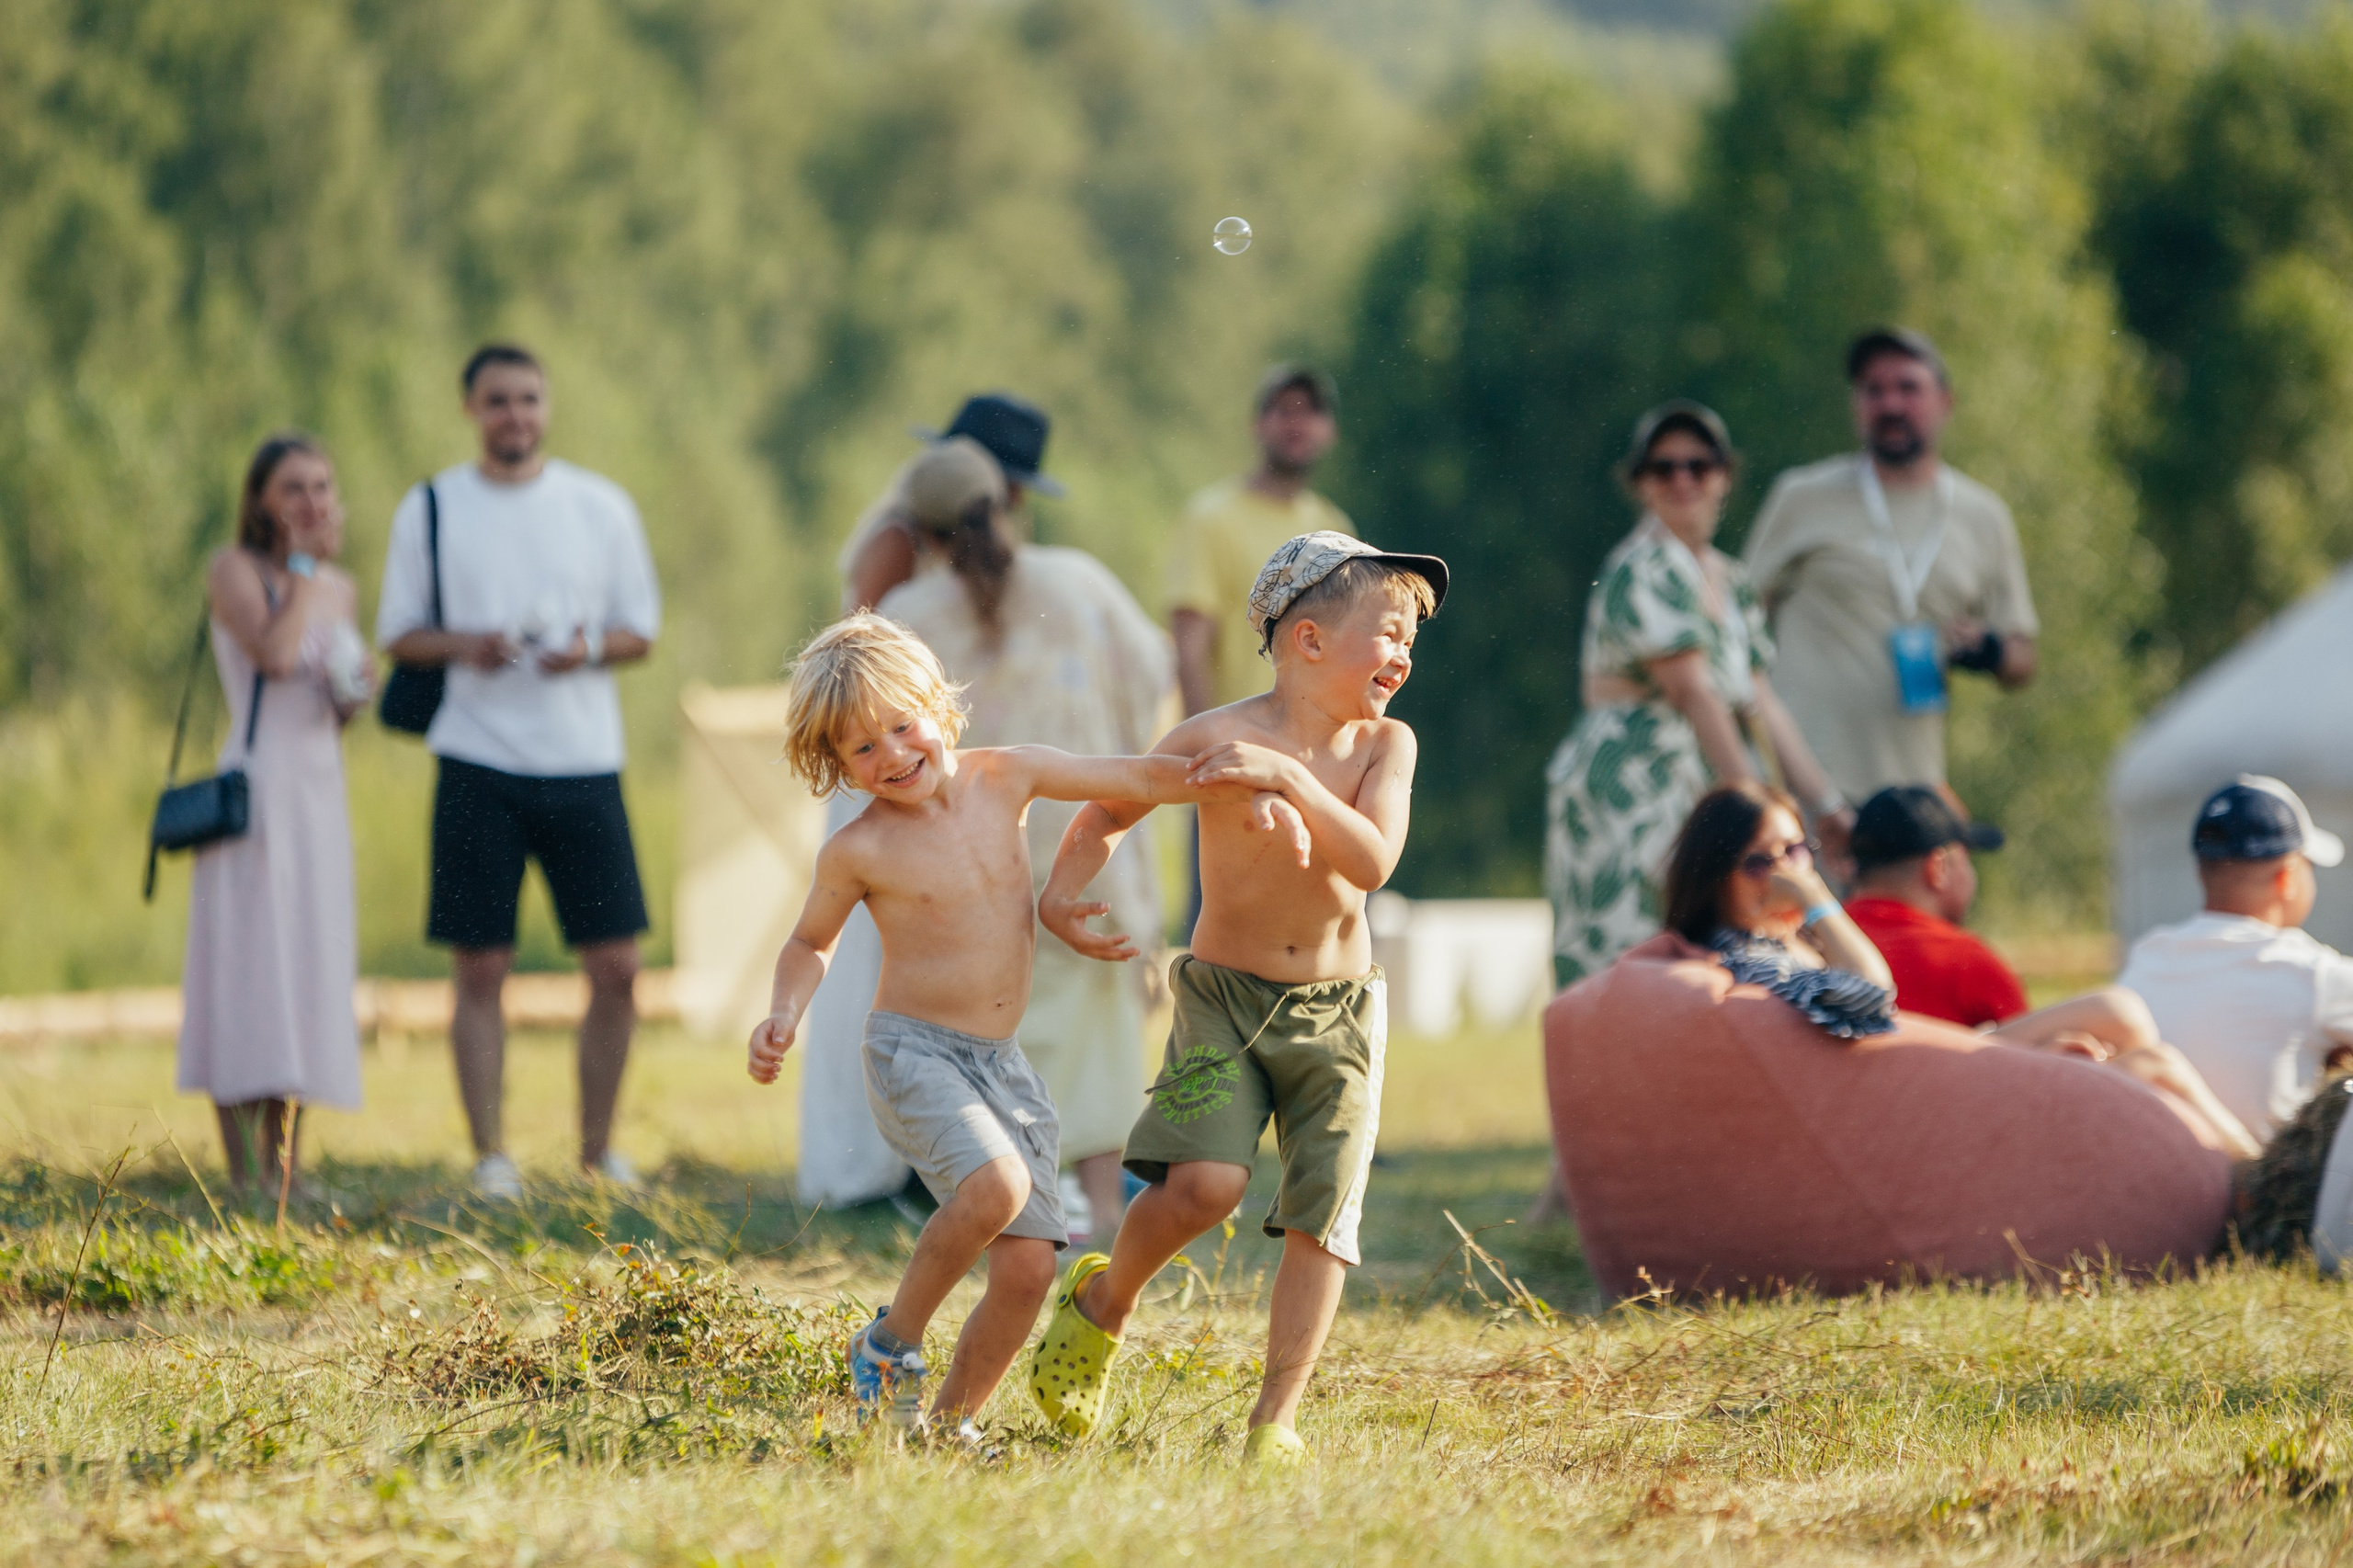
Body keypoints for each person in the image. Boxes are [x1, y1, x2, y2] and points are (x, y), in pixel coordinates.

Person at [744, 614, 1277, 1437]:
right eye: (860, 749)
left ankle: (949, 1427)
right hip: (912, 1053)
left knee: (1029, 1267)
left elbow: (1129, 777)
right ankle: (889, 1344)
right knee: (999, 1188)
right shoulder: (859, 850)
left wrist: (1229, 776)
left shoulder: (1009, 776)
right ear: (832, 764)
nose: (890, 755)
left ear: (938, 704)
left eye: (901, 725)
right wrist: (783, 1013)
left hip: (1000, 1062)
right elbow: (808, 943)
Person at [1031, 530, 1446, 1466]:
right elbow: (1109, 807)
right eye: (1386, 631)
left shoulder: (1388, 744)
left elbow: (1372, 860)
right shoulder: (1213, 739)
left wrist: (1292, 782)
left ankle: (1275, 1421)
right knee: (1203, 1189)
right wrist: (1062, 892)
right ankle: (1103, 1301)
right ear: (1305, 639)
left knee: (1322, 1213)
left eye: (1410, 638)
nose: (1403, 653)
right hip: (1221, 998)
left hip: (1341, 1013)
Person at [376, 345, 662, 1199]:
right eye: (497, 401)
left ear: (547, 405)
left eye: (528, 399)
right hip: (476, 760)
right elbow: (399, 634)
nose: (515, 416)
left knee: (617, 967)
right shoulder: (430, 506)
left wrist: (583, 652)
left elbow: (639, 631)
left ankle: (597, 1150)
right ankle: (492, 1155)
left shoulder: (599, 506)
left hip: (583, 762)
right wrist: (473, 643)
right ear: (470, 408)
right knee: (480, 969)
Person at [878, 437, 1174, 1244]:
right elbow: (1153, 669)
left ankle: (1019, 1213)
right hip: (1087, 845)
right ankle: (1102, 1210)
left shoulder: (907, 618)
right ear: (1007, 503)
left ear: (925, 531)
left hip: (976, 863)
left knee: (992, 1035)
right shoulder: (1079, 581)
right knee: (1099, 1043)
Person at [796, 392, 1068, 1215]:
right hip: (885, 767)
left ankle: (931, 1153)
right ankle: (864, 1163)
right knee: (869, 969)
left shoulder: (963, 547)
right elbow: (857, 649)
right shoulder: (900, 538)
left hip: (931, 767)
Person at [1668, 782, 2258, 1158]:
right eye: (1759, 862)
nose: (1784, 874)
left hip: (1912, 1073)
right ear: (1940, 867)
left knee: (2148, 1062)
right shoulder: (1751, 957)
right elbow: (1873, 999)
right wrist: (1817, 900)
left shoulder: (1782, 945)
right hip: (1903, 1095)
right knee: (2123, 1019)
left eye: (1797, 853)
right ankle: (2267, 1185)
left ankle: (2257, 1180)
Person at [1546, 401, 1854, 991]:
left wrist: (1827, 805)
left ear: (1724, 476)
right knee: (1628, 953)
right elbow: (1692, 692)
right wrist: (1757, 811)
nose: (1683, 479)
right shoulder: (1644, 567)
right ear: (1640, 484)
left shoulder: (1732, 580)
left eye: (1699, 464)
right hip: (1629, 783)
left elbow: (1761, 701)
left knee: (1700, 954)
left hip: (1696, 781)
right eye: (1664, 468)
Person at [178, 433, 373, 1200]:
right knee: (248, 969)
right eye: (293, 488)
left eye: (322, 486)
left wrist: (358, 689)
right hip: (256, 792)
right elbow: (277, 656)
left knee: (307, 968)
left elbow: (331, 696)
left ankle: (287, 1170)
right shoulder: (237, 572)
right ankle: (242, 1171)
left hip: (319, 793)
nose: (311, 501)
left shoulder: (342, 586)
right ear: (261, 499)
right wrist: (299, 567)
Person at [1743, 328, 2039, 806]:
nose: (1890, 405)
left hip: (1911, 794)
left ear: (1945, 401)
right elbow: (1737, 624)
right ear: (1856, 406)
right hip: (1799, 788)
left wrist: (1989, 651)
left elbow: (2023, 659)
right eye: (1873, 391)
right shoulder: (1801, 497)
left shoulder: (1984, 516)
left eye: (1908, 388)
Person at [1845, 784, 2191, 1062]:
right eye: (1967, 858)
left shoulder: (1813, 942)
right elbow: (2024, 1075)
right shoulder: (1965, 960)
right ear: (1939, 868)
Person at [2118, 777, 2353, 1144]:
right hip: (2258, 1193)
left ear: (2200, 871)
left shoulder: (2147, 955)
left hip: (2154, 1176)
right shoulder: (2313, 973)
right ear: (2287, 878)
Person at [1165, 366, 1353, 719]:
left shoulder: (1335, 529)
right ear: (1257, 425)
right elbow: (1190, 653)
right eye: (1283, 409)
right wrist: (1204, 747)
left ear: (1331, 431)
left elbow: (1346, 652)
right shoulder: (1210, 518)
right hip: (1234, 749)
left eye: (1311, 410)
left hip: (1310, 753)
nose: (1296, 421)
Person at [838, 392, 1065, 614]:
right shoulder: (900, 539)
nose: (1016, 500)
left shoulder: (963, 538)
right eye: (1010, 485)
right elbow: (860, 635)